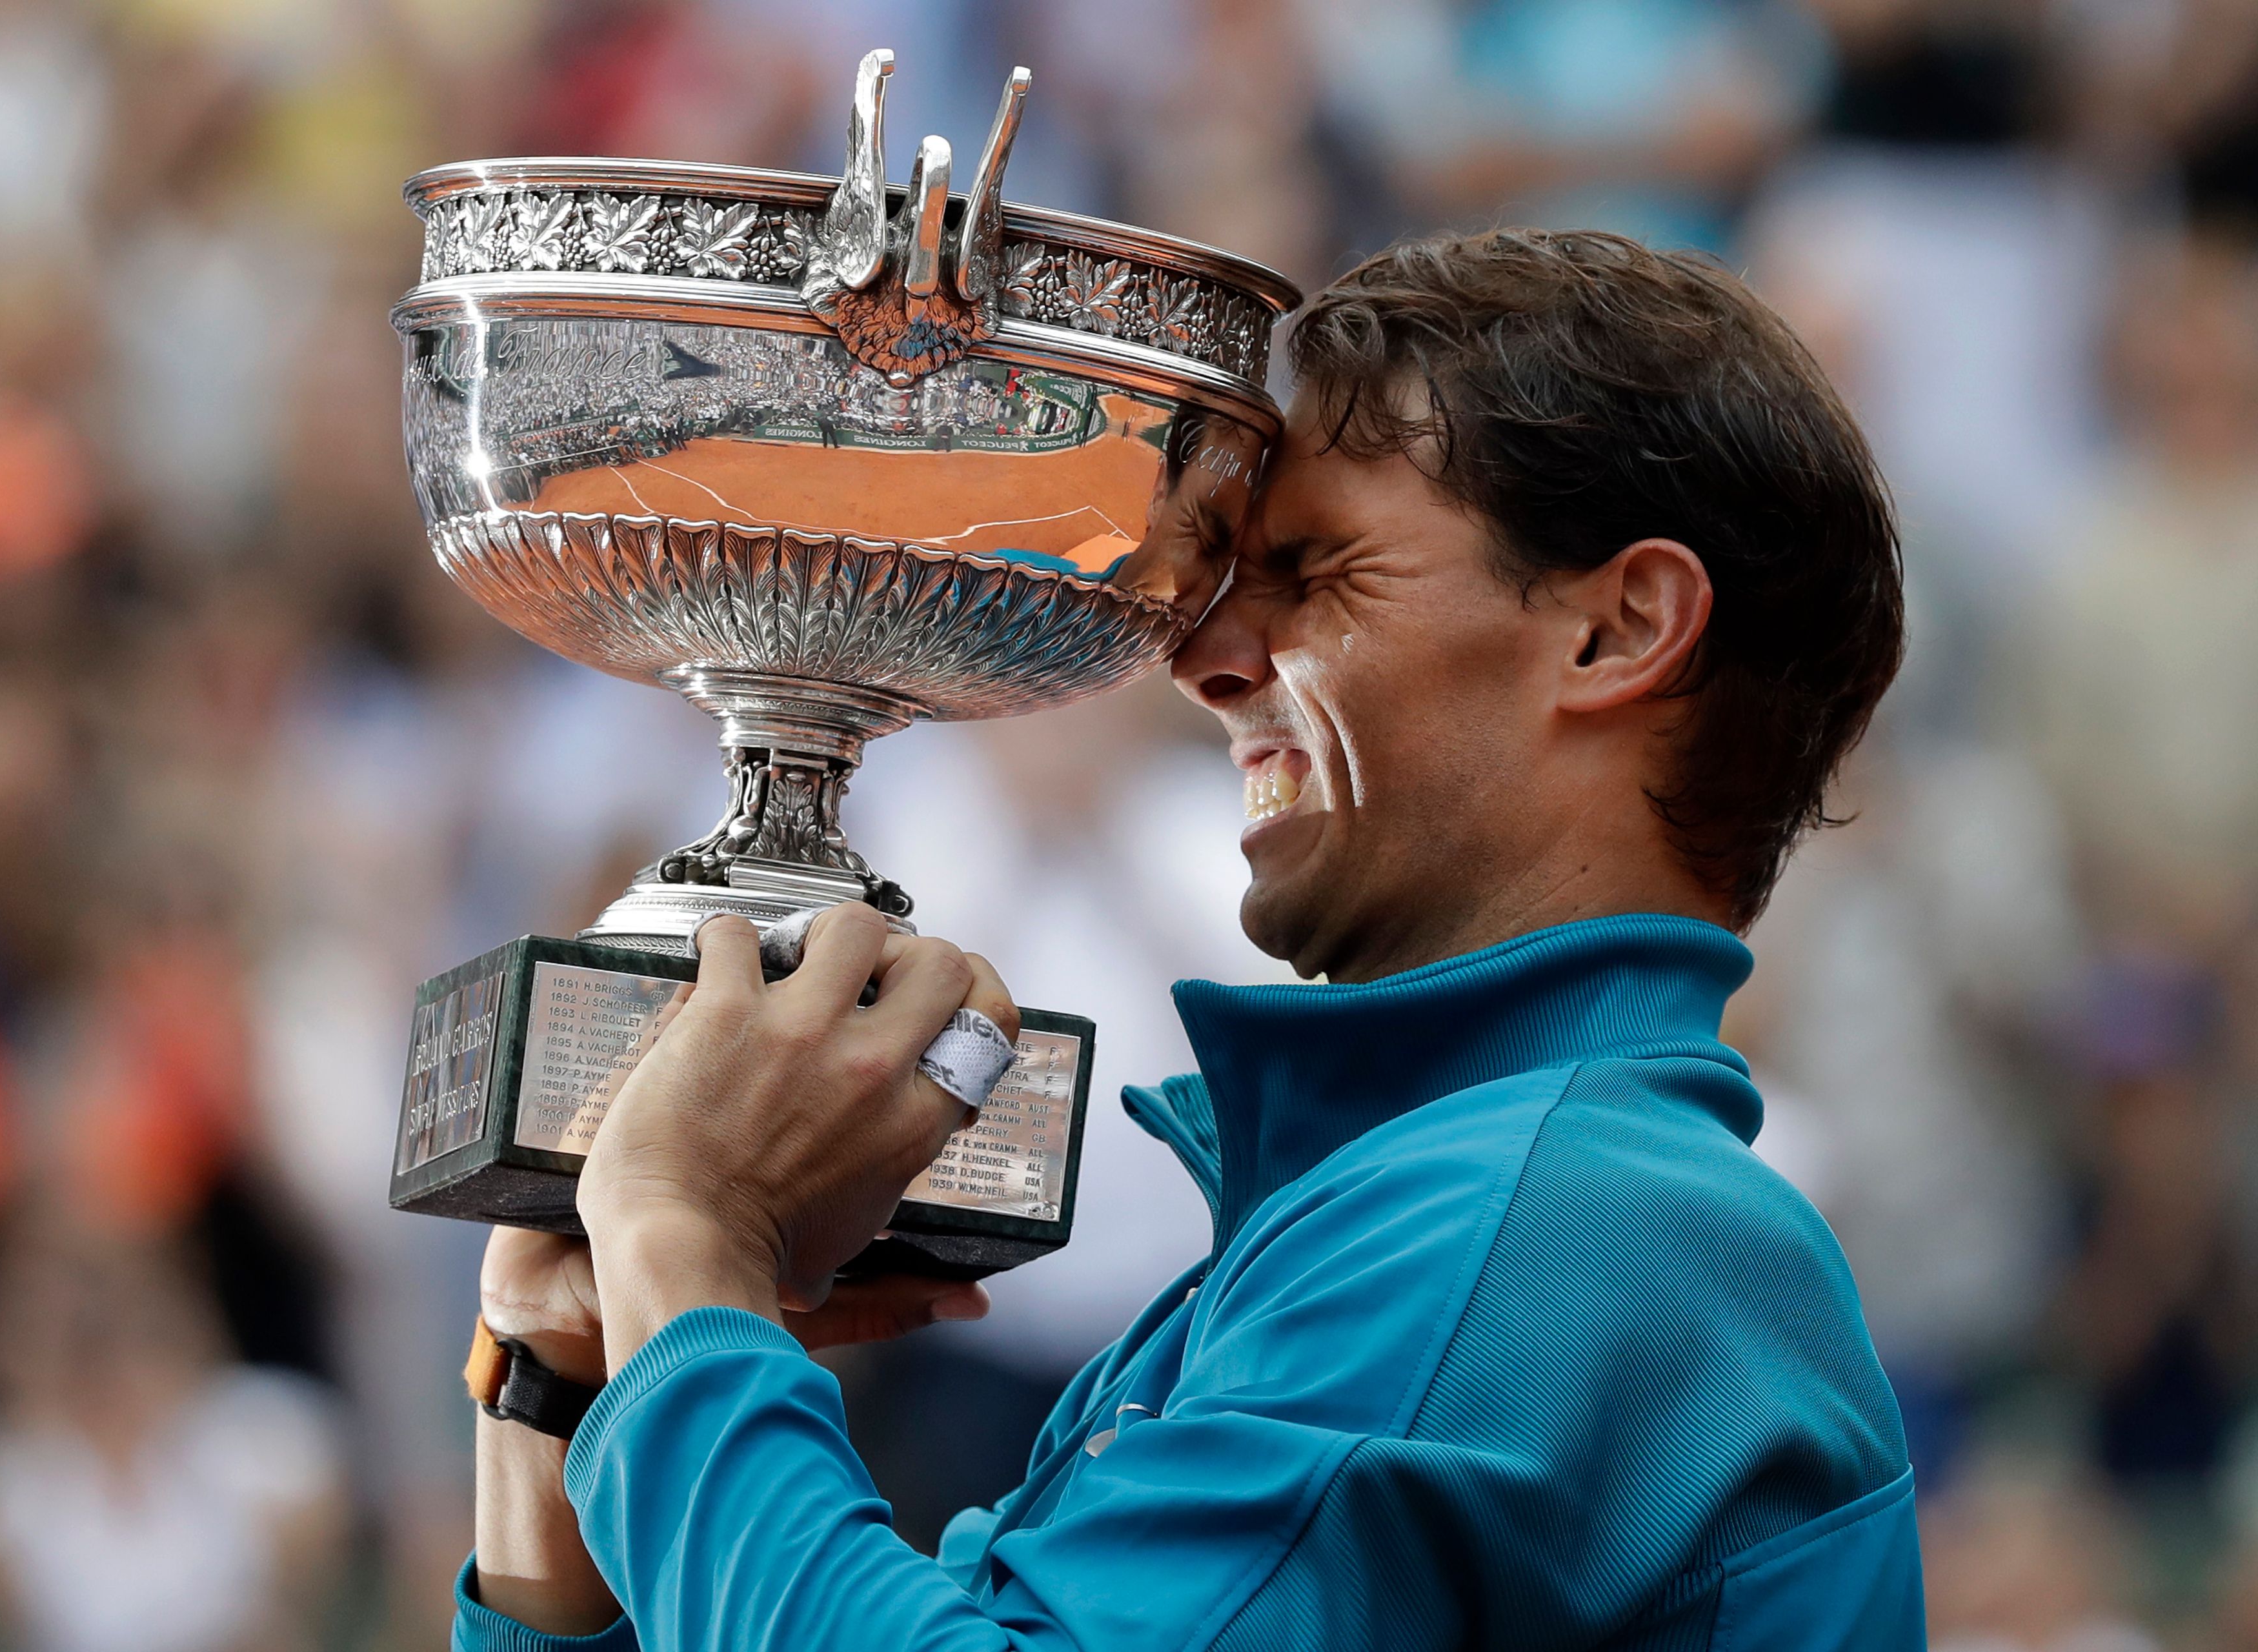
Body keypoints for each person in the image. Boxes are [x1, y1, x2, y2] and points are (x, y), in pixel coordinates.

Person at [453, 228, 1920, 1649]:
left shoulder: (1542, 1228)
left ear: (1619, 628)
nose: (1204, 656)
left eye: (1321, 570)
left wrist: (687, 1250)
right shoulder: (1427, 1219)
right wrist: (567, 1390)